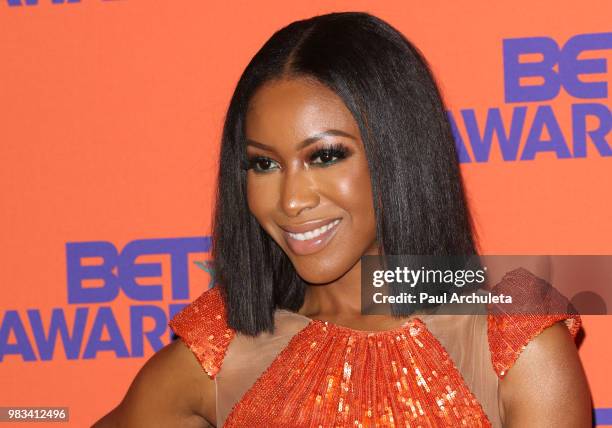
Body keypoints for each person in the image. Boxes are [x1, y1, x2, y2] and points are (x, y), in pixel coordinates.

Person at [93, 11, 591, 427]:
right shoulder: (221, 352)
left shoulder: (512, 337)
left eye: (326, 156)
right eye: (263, 164)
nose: (290, 200)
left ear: (399, 155)